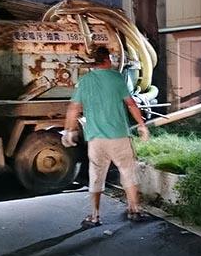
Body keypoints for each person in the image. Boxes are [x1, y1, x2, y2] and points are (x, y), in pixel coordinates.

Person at [62, 46, 150, 227]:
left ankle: (95, 216)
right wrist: (141, 125)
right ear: (107, 60)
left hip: (96, 139)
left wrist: (69, 130)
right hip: (119, 136)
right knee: (128, 172)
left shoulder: (84, 81)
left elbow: (73, 108)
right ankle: (134, 210)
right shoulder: (117, 78)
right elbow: (131, 104)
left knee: (96, 175)